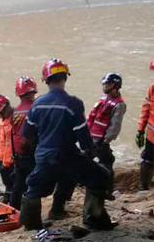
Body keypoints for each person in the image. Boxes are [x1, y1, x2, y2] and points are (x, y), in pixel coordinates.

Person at [20, 58, 115, 231]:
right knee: (100, 177)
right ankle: (93, 219)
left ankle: (30, 224)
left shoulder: (37, 105)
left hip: (43, 156)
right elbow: (84, 138)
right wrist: (89, 152)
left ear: (46, 80)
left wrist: (35, 157)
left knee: (34, 186)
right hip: (67, 155)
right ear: (65, 77)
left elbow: (26, 137)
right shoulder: (73, 103)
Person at [86, 73, 127, 200]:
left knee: (106, 164)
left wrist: (106, 140)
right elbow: (91, 117)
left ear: (116, 86)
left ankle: (107, 191)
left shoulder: (118, 105)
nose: (105, 87)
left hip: (100, 140)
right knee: (86, 161)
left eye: (108, 84)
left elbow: (115, 125)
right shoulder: (103, 99)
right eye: (104, 84)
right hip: (91, 137)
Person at [10, 76, 38, 210]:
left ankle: (13, 210)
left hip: (18, 153)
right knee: (33, 182)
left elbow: (13, 133)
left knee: (19, 183)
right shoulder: (36, 108)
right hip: (32, 151)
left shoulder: (15, 111)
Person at [136, 60, 154, 191]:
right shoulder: (152, 88)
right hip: (151, 135)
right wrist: (140, 129)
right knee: (147, 161)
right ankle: (143, 188)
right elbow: (145, 109)